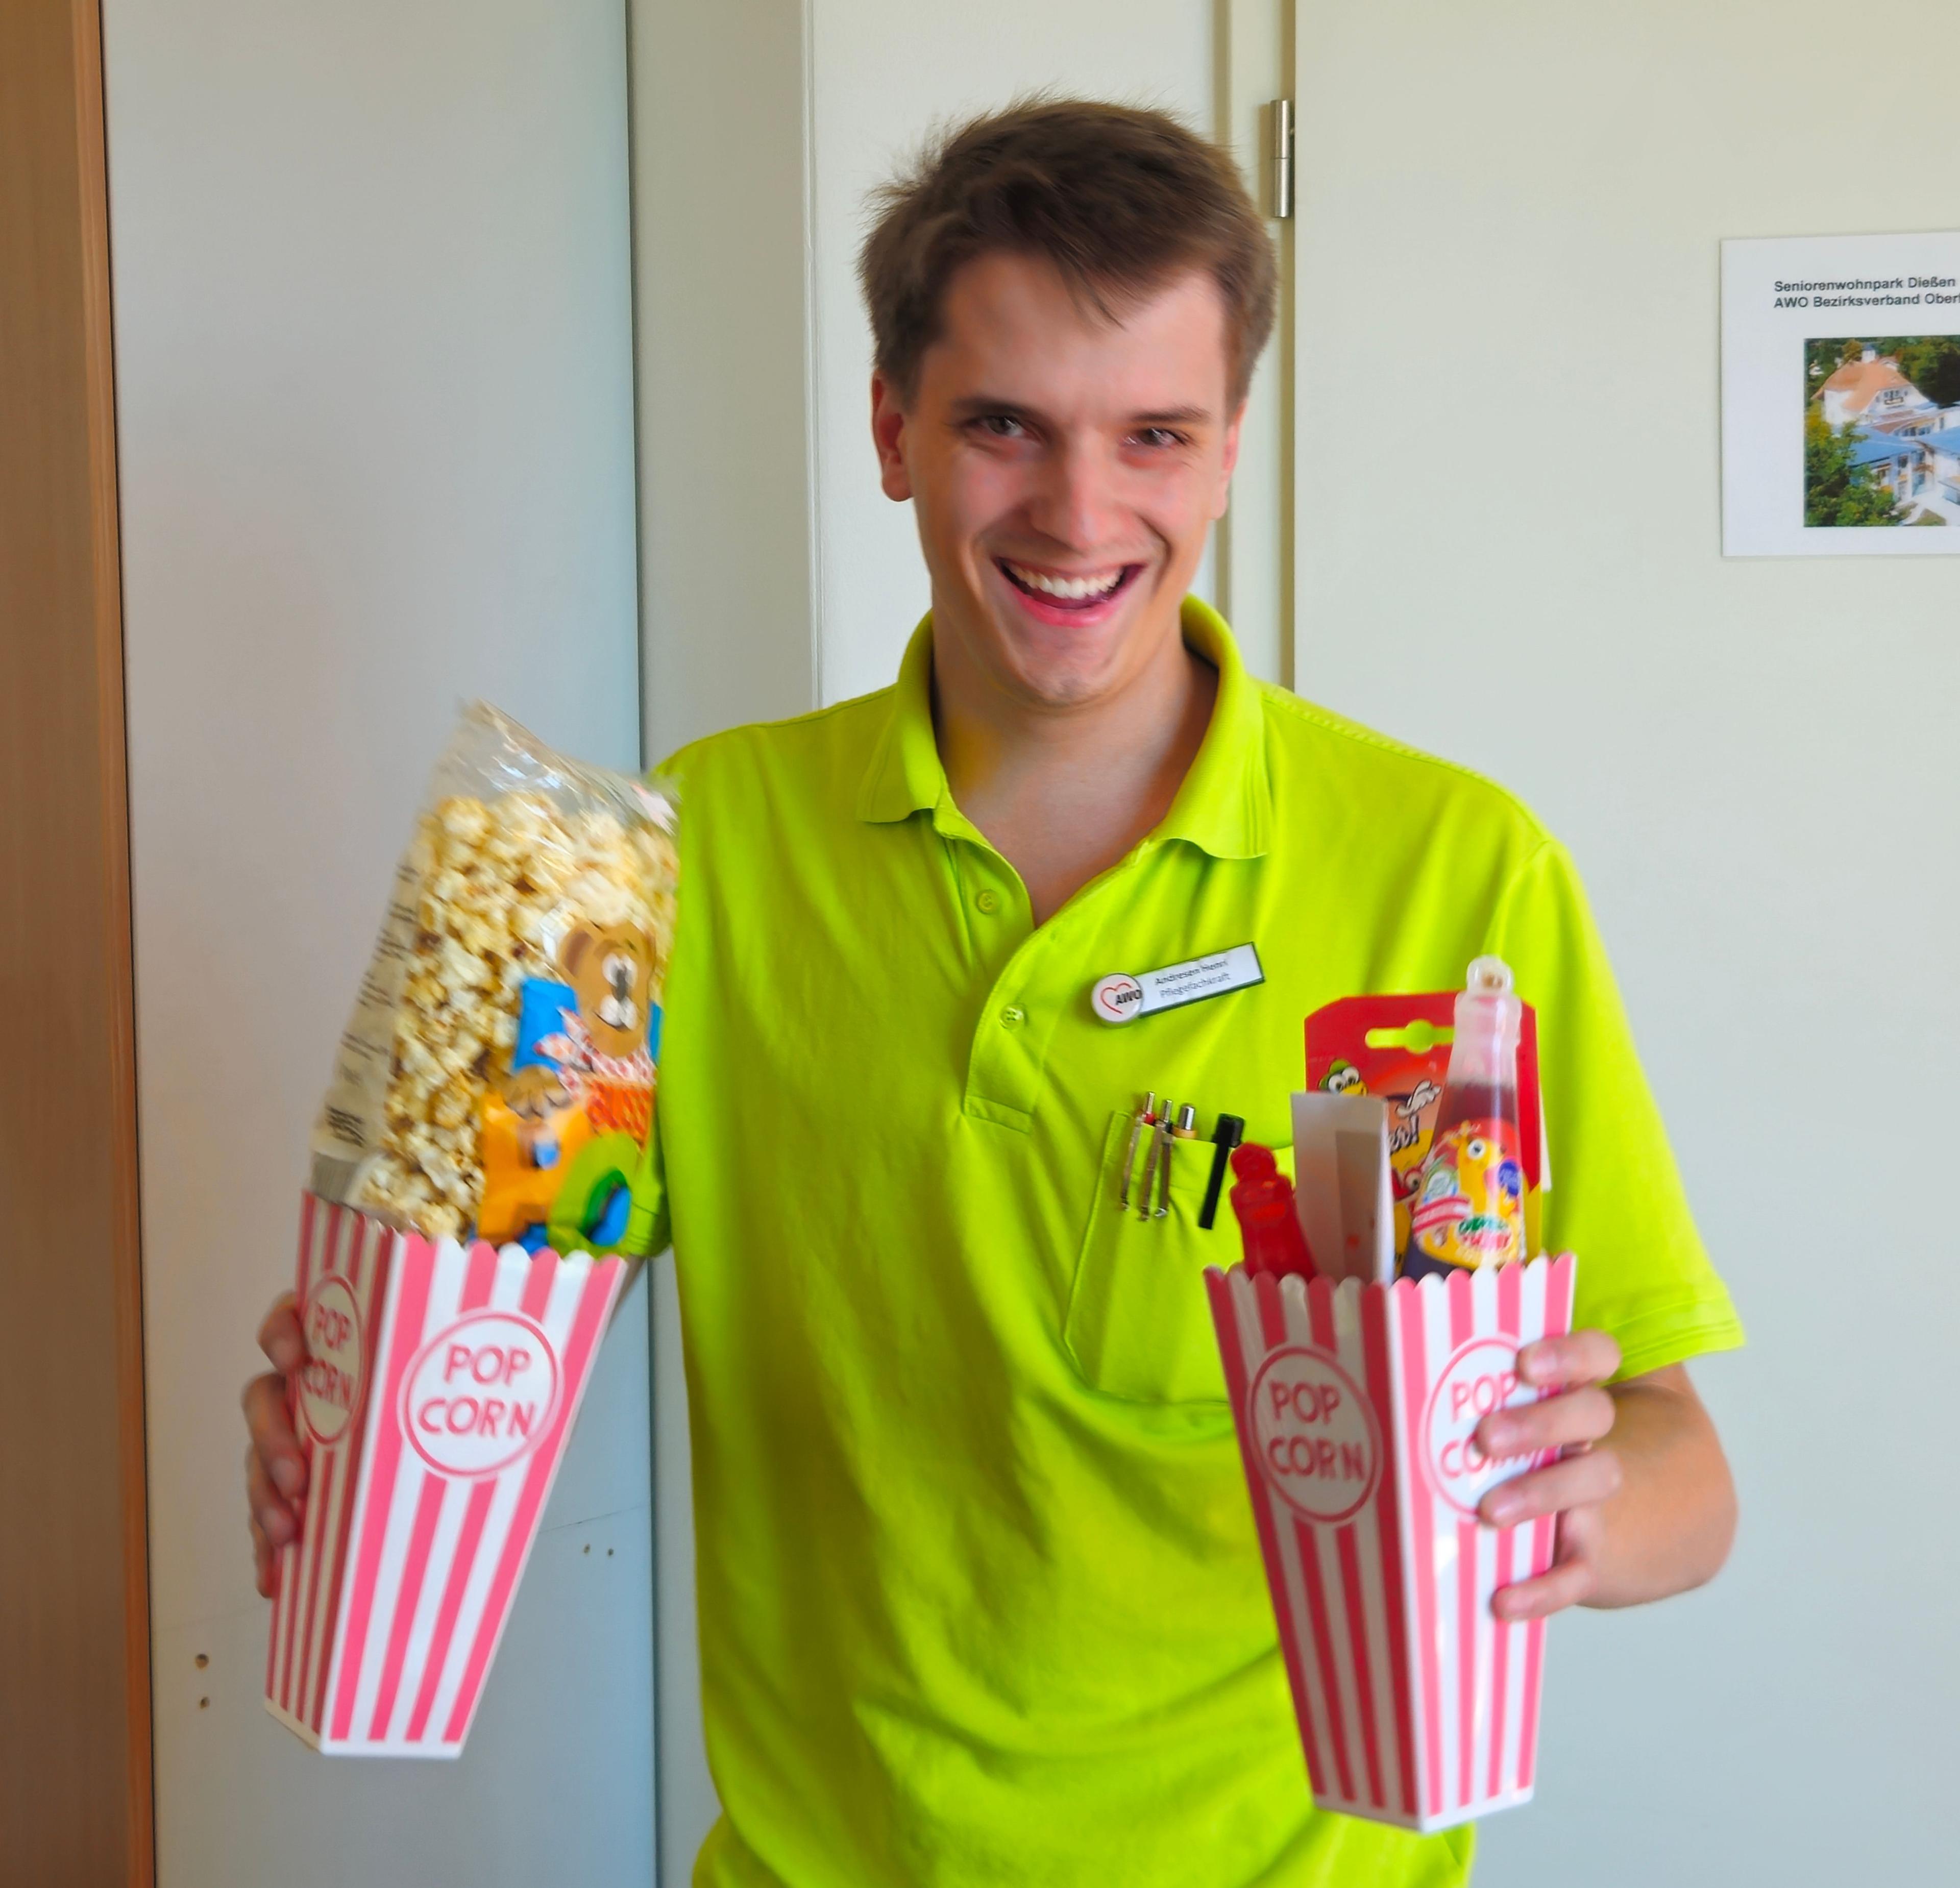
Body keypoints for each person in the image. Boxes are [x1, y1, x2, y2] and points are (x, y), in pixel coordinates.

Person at [245, 100, 1742, 1886]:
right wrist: (356, 1407)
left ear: (1230, 449)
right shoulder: (686, 852)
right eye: (1005, 426)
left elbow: (1685, 1467)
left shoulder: (1454, 875)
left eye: (1154, 435)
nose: (1079, 511)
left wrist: (1583, 1500)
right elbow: (492, 1292)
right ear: (895, 429)